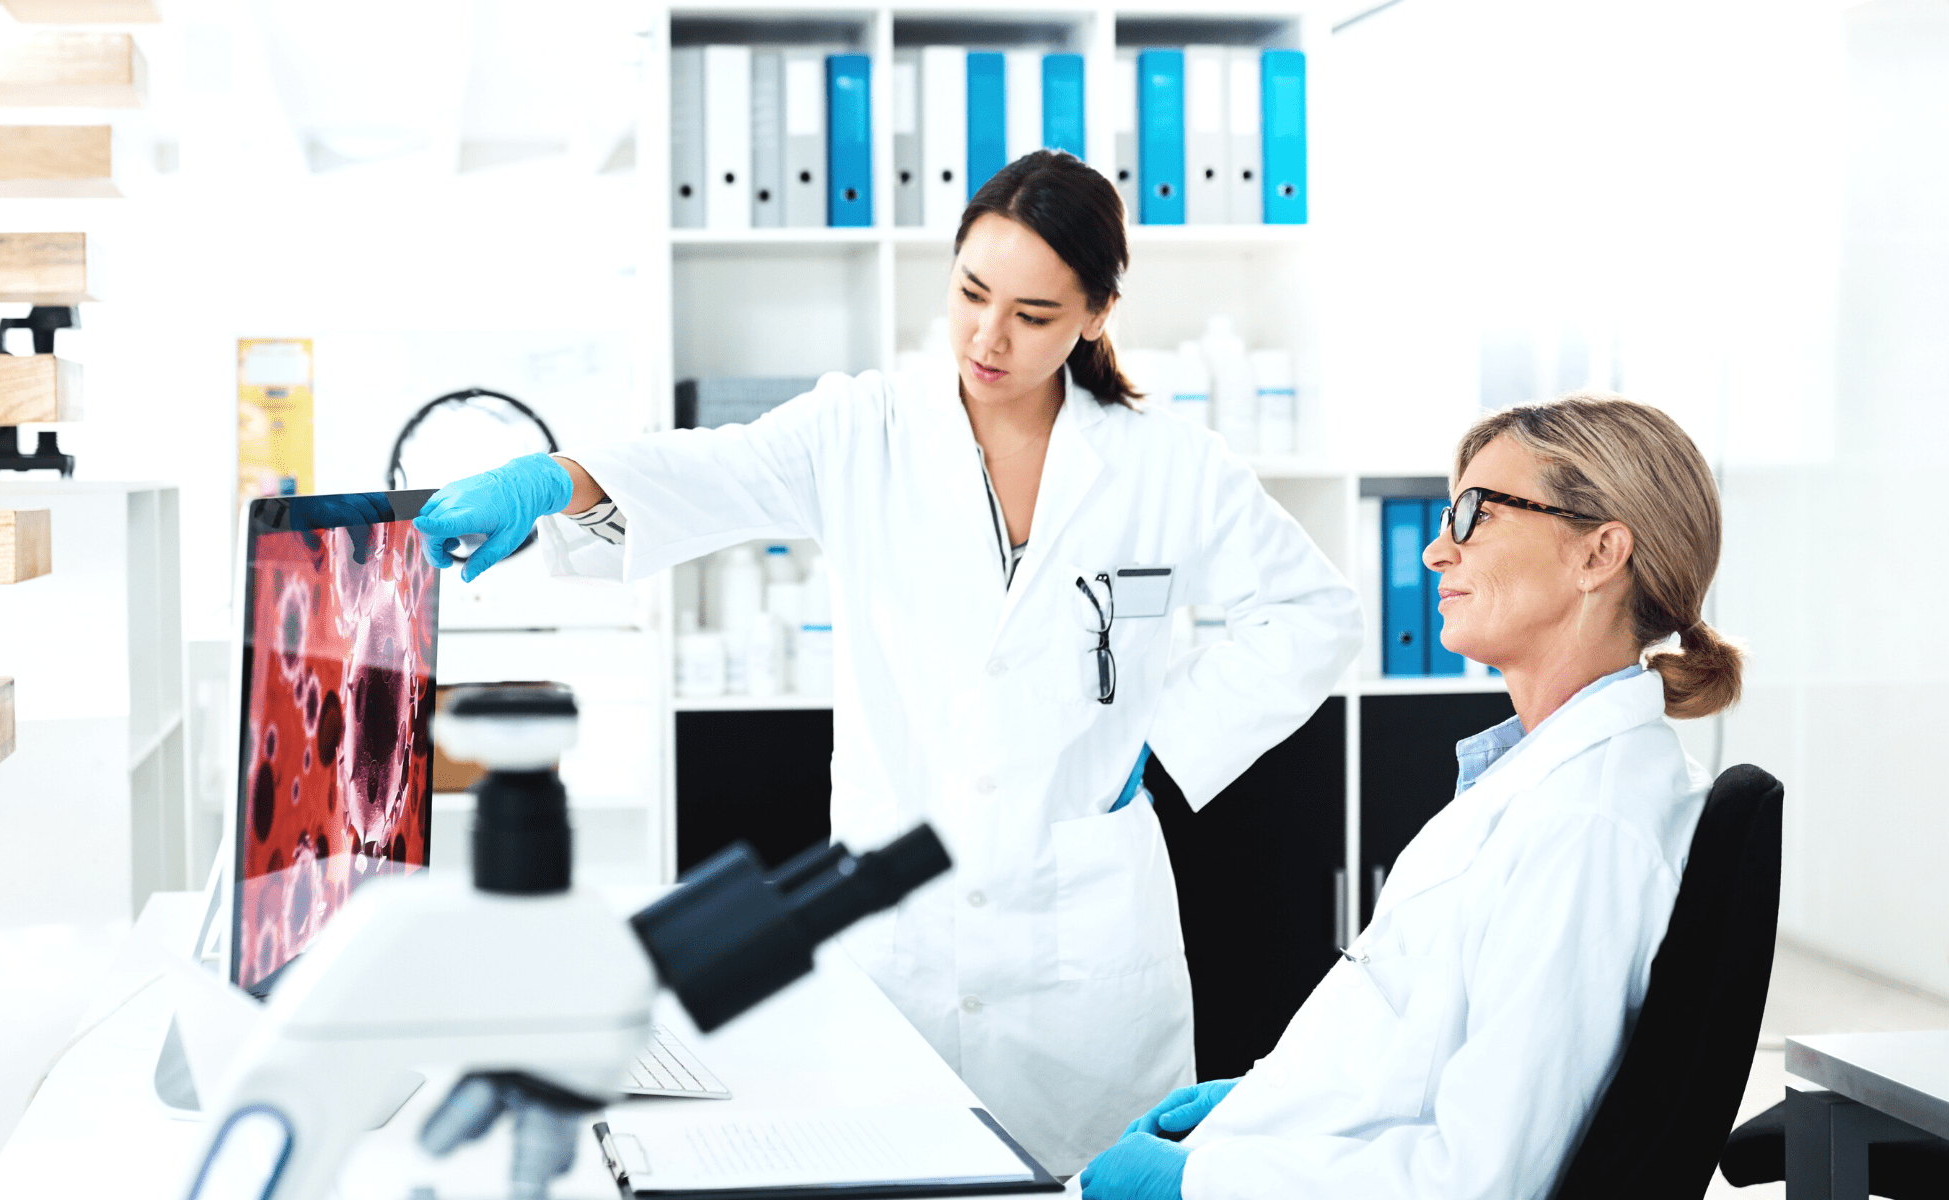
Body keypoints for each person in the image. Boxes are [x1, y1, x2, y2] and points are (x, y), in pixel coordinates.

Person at [414, 150, 1361, 1172]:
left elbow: (1314, 612)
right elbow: (711, 471)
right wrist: (556, 481)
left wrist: (1166, 745)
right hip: (898, 945)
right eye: (969, 293)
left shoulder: (1167, 464)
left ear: (1096, 314)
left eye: (1034, 315)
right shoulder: (861, 427)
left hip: (1083, 963)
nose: (988, 337)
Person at [1077, 392, 1745, 1199]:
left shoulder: (1585, 827)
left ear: (1598, 554)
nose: (1435, 553)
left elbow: (1479, 1180)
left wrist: (1204, 1183)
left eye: (1474, 516)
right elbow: (1423, 1053)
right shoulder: (1543, 781)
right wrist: (1267, 1103)